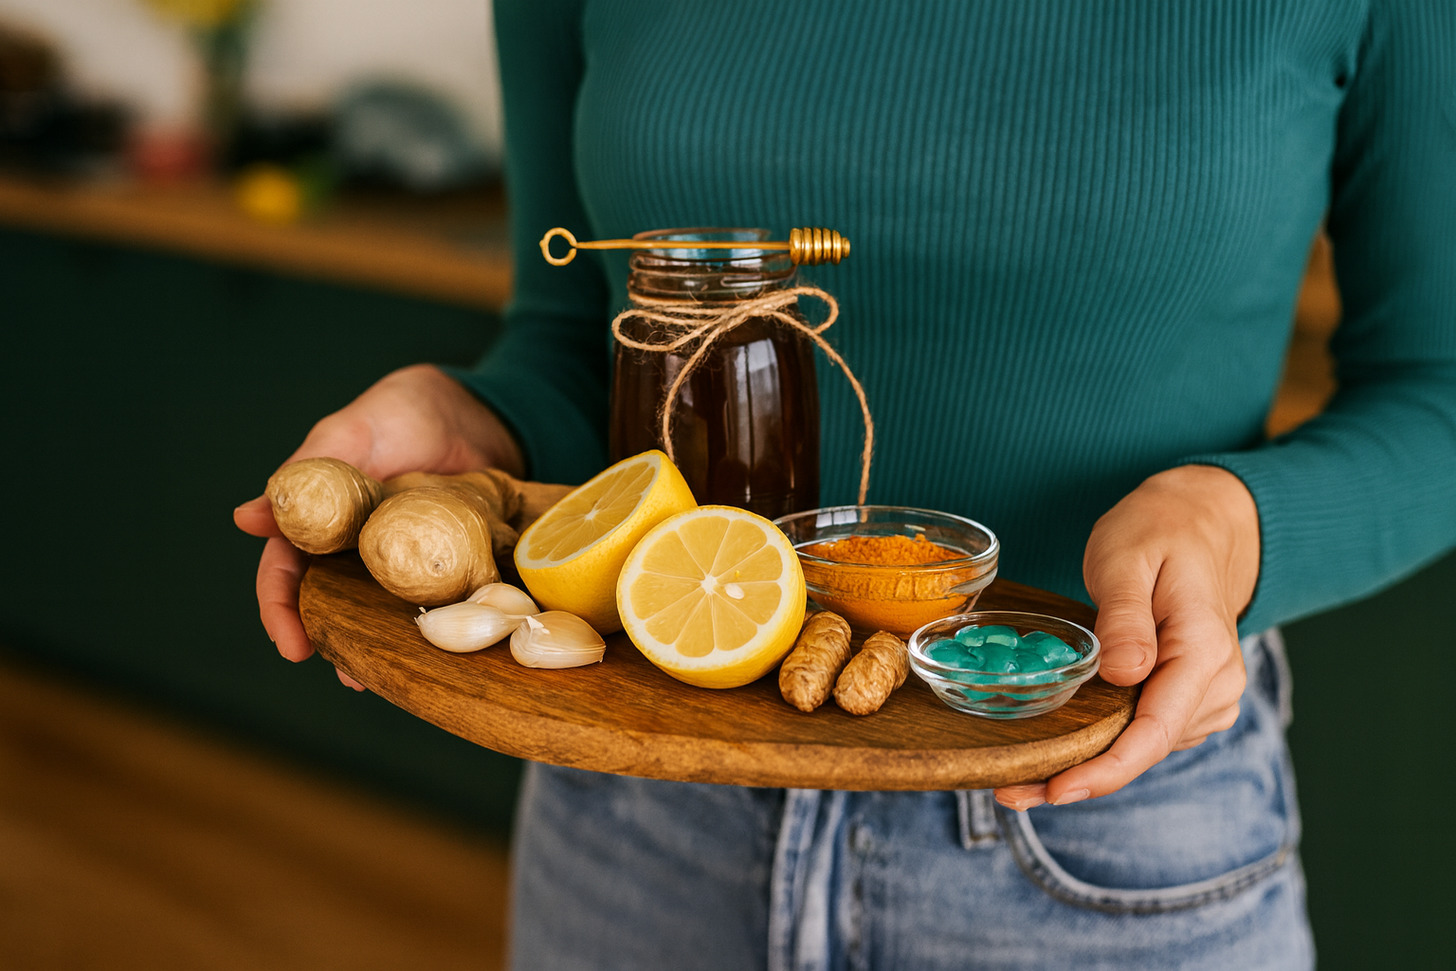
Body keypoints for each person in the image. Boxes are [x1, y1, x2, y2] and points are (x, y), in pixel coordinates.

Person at [235, 2, 1456, 967]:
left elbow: (1436, 384)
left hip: (1093, 806)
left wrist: (1237, 522)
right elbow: (576, 336)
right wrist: (478, 423)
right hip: (643, 785)